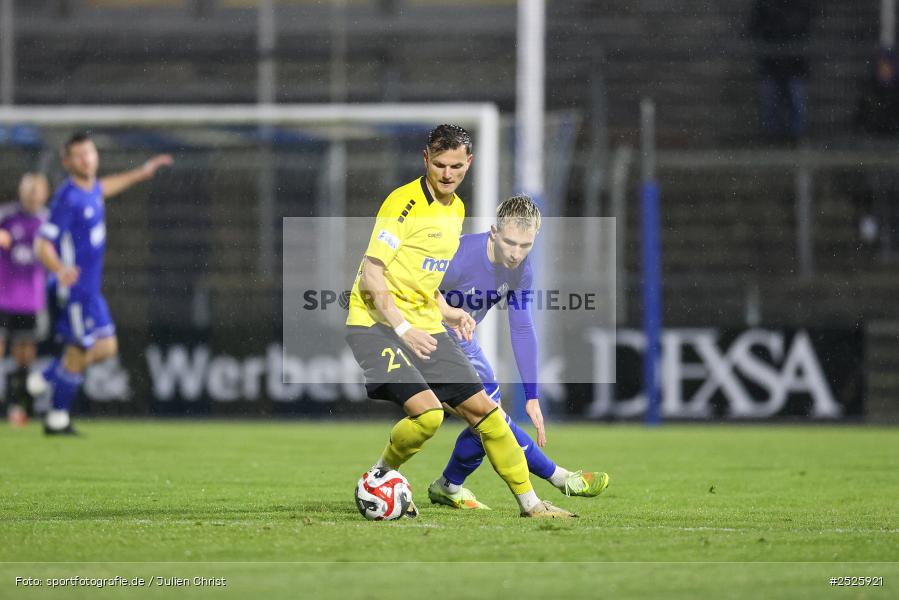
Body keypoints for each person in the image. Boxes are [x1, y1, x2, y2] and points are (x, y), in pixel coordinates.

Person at [345, 124, 575, 518]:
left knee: (487, 412)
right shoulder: (403, 204)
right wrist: (403, 328)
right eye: (439, 165)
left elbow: (423, 278)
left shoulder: (456, 210)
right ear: (425, 160)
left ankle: (532, 504)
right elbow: (372, 272)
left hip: (426, 325)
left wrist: (449, 311)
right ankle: (379, 475)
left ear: (469, 163)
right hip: (374, 324)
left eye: (456, 166)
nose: (447, 174)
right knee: (429, 416)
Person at [427, 195, 609, 510]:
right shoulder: (460, 255)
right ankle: (557, 477)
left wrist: (532, 395)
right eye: (510, 243)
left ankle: (449, 486)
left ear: (535, 237)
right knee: (489, 413)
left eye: (525, 245)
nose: (515, 253)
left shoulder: (521, 271)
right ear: (494, 231)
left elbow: (522, 328)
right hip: (424, 334)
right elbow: (415, 289)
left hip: (459, 342)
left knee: (486, 416)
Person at [34, 132, 173, 435]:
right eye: (79, 155)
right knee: (81, 349)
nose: (87, 159)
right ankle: (56, 417)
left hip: (90, 291)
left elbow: (106, 187)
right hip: (73, 291)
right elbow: (42, 245)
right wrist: (59, 268)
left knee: (106, 347)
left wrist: (141, 173)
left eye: (90, 153)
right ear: (67, 162)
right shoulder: (67, 198)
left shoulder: (91, 190)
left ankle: (48, 376)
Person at [0, 173, 51, 426]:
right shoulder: (6, 216)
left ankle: (18, 406)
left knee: (24, 356)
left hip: (30, 301)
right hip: (2, 297)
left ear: (45, 193)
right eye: (28, 189)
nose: (32, 194)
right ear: (21, 191)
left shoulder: (48, 221)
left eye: (36, 190)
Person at [749, 0, 814, 141]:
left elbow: (803, 24)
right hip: (773, 63)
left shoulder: (798, 7)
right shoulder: (765, 6)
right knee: (771, 105)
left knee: (796, 104)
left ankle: (794, 138)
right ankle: (773, 137)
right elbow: (755, 27)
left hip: (793, 63)